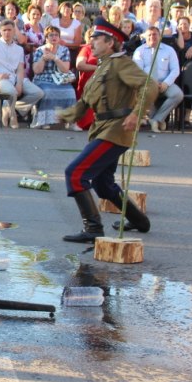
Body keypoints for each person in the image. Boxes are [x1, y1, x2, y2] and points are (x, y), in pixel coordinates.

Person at [56, 19, 156, 242]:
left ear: (110, 42)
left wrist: (136, 114)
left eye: (96, 38)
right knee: (102, 185)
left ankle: (93, 228)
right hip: (102, 129)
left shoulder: (121, 64)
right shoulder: (103, 65)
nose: (90, 42)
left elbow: (149, 85)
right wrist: (65, 115)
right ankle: (140, 221)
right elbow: (85, 102)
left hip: (116, 130)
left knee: (75, 173)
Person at [0, 19, 44, 128]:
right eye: (4, 30)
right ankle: (13, 115)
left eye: (9, 30)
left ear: (14, 31)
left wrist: (19, 83)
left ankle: (9, 108)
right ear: (0, 31)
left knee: (38, 93)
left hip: (15, 77)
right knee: (11, 92)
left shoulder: (18, 49)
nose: (6, 33)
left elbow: (20, 69)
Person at [132, 24, 183, 133]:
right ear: (145, 37)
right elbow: (138, 72)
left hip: (165, 83)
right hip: (148, 84)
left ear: (160, 36)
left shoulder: (169, 50)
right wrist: (151, 83)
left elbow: (175, 70)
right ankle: (157, 120)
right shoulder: (139, 51)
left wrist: (166, 83)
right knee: (143, 92)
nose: (152, 37)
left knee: (178, 94)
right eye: (149, 35)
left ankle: (156, 119)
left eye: (155, 34)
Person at [31, 27, 77, 129]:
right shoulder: (40, 50)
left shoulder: (64, 50)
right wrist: (43, 59)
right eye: (51, 35)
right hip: (43, 78)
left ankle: (71, 122)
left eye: (56, 35)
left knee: (70, 91)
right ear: (46, 38)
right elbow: (37, 71)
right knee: (47, 91)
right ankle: (44, 121)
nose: (54, 37)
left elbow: (65, 69)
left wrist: (55, 58)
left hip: (60, 79)